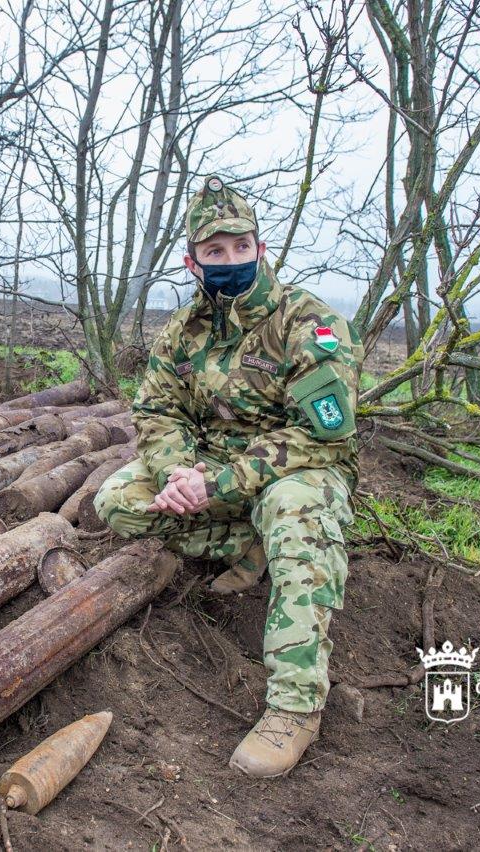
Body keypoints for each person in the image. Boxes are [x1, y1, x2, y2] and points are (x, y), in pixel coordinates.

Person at [93, 175, 362, 778]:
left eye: (242, 247)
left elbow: (321, 434)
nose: (231, 260)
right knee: (117, 501)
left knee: (295, 511)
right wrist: (176, 473)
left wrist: (218, 484)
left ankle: (295, 707)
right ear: (193, 262)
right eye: (216, 252)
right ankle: (248, 544)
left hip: (298, 467)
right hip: (210, 467)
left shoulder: (310, 322)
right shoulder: (184, 330)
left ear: (261, 249)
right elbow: (157, 409)